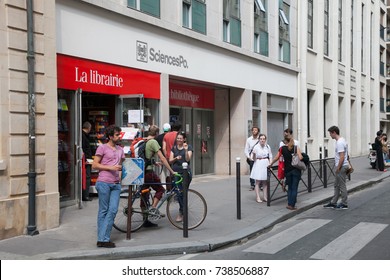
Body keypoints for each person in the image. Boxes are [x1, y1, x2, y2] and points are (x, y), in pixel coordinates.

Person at [92, 125, 125, 248]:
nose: (119, 136)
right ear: (110, 136)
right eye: (116, 135)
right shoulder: (102, 148)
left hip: (116, 184)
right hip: (104, 182)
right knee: (104, 211)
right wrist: (111, 167)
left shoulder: (120, 150)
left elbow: (121, 166)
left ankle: (102, 238)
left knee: (113, 210)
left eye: (119, 134)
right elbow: (94, 165)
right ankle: (103, 239)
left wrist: (122, 179)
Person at [143, 125, 177, 227]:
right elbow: (162, 158)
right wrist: (171, 170)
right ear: (157, 134)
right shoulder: (153, 142)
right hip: (149, 172)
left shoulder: (145, 140)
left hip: (142, 172)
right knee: (160, 189)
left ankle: (145, 220)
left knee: (143, 194)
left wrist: (154, 163)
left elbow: (146, 157)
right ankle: (152, 210)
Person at [269, 134, 303, 210]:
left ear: (285, 141)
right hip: (296, 170)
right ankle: (292, 205)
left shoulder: (282, 148)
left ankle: (289, 204)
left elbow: (276, 158)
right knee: (294, 188)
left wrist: (271, 164)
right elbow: (300, 157)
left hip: (287, 170)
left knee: (290, 188)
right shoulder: (295, 148)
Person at [323, 126, 349, 210]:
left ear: (334, 132)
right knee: (336, 185)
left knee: (341, 186)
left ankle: (344, 203)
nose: (330, 135)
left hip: (341, 167)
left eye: (330, 133)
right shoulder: (342, 140)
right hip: (343, 166)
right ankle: (333, 202)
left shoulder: (339, 143)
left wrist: (338, 167)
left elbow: (341, 156)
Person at [169, 131, 193, 222]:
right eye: (178, 138)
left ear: (184, 139)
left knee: (183, 192)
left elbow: (187, 159)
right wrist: (176, 158)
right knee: (179, 193)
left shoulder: (188, 147)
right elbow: (170, 161)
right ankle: (182, 211)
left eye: (180, 138)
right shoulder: (174, 148)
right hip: (176, 173)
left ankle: (182, 212)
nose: (179, 140)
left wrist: (186, 150)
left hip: (185, 173)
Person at [250, 134, 272, 202]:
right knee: (258, 182)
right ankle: (258, 197)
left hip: (265, 163)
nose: (262, 140)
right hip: (258, 163)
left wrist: (270, 164)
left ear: (265, 140)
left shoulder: (267, 146)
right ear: (259, 139)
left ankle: (265, 197)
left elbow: (270, 156)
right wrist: (253, 154)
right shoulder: (256, 147)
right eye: (261, 139)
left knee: (265, 182)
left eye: (263, 139)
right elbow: (253, 159)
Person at [81, 121, 93, 201]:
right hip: (86, 160)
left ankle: (84, 195)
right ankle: (85, 195)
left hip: (84, 159)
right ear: (89, 128)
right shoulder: (84, 136)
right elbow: (85, 149)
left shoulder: (81, 135)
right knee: (87, 177)